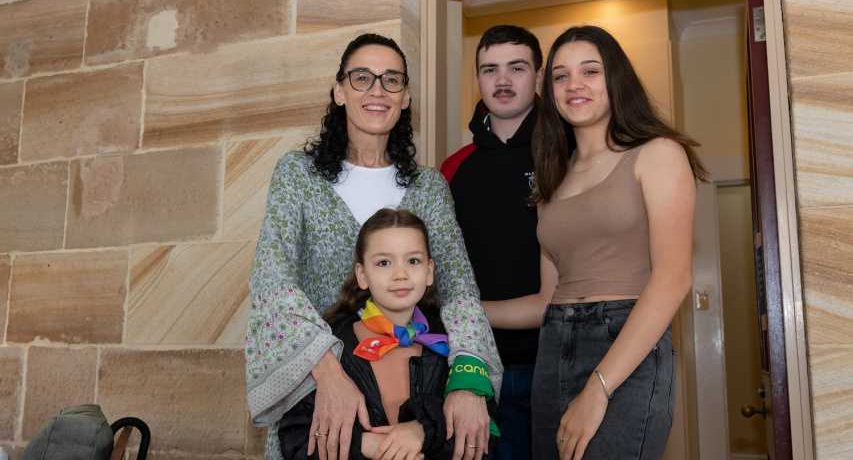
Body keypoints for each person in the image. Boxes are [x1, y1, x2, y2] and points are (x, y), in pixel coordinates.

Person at [246, 33, 502, 460]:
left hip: (412, 394)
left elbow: (459, 290)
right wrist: (329, 373)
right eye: (362, 78)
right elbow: (273, 280)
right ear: (339, 91)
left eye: (391, 79)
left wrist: (468, 382)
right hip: (318, 393)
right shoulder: (299, 175)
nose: (377, 90)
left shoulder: (428, 187)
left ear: (405, 97)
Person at [482, 25, 707, 459]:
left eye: (590, 71)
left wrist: (599, 387)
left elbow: (673, 279)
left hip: (625, 344)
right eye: (561, 76)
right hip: (553, 345)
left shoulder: (657, 153)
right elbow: (545, 301)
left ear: (615, 79)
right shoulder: (552, 176)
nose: (574, 85)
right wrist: (457, 308)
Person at [278, 208, 499, 460]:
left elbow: (485, 434)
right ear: (362, 275)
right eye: (384, 263)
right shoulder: (328, 349)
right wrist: (365, 444)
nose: (400, 274)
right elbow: (295, 439)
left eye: (413, 261)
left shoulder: (458, 344)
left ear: (429, 271)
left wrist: (424, 431)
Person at [440, 25, 542, 460]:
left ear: (538, 76)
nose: (502, 80)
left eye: (516, 68)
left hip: (555, 364)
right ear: (477, 79)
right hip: (477, 365)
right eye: (489, 69)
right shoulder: (453, 168)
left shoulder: (568, 155)